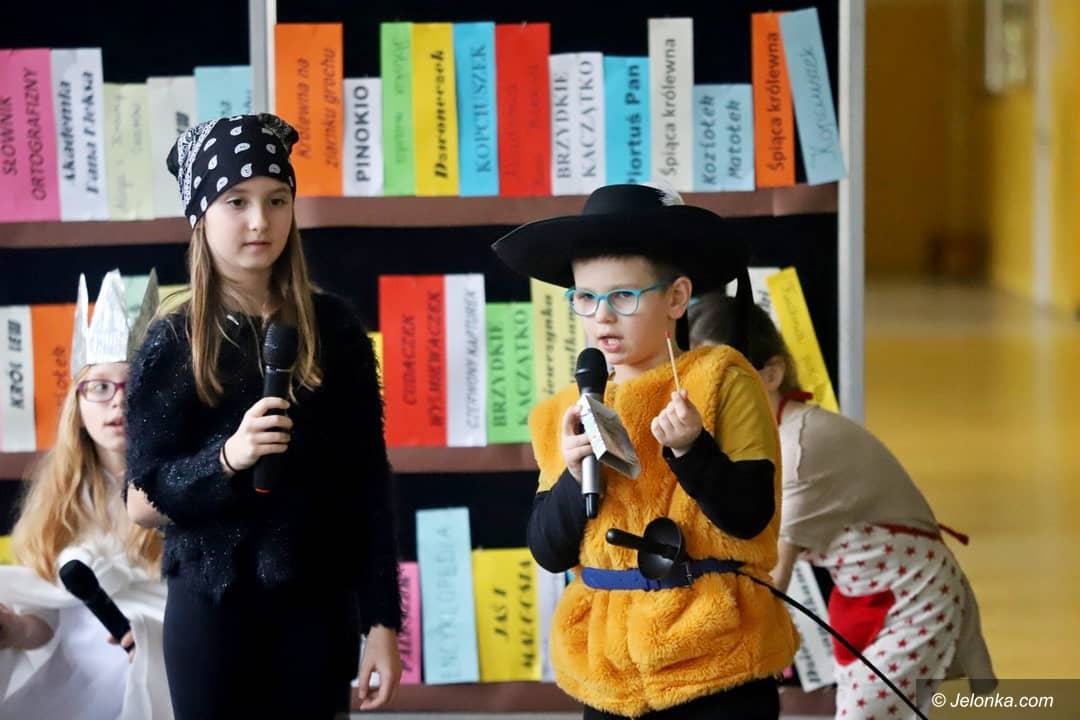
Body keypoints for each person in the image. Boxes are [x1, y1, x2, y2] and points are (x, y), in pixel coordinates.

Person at [123, 113, 402, 720]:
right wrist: (229, 458)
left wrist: (383, 621)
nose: (260, 220)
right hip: (212, 609)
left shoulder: (335, 330)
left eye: (277, 200)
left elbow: (367, 486)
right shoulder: (174, 341)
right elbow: (141, 501)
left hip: (318, 609)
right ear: (200, 215)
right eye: (237, 201)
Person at [492, 183, 799, 719]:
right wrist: (573, 475)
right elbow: (549, 551)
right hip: (609, 671)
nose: (602, 317)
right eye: (585, 298)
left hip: (717, 663)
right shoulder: (563, 411)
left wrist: (693, 449)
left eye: (623, 297)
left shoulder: (722, 380)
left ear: (676, 299)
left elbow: (750, 517)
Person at [688, 292, 997, 718]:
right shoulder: (756, 442)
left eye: (725, 376)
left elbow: (772, 577)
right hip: (865, 597)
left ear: (772, 374)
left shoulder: (798, 448)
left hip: (913, 595)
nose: (706, 394)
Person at [0, 269, 171, 719]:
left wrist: (150, 635)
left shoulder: (181, 490)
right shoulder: (58, 502)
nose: (117, 402)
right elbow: (49, 622)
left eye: (133, 386)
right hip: (75, 690)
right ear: (77, 403)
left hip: (162, 683)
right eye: (99, 387)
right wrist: (13, 628)